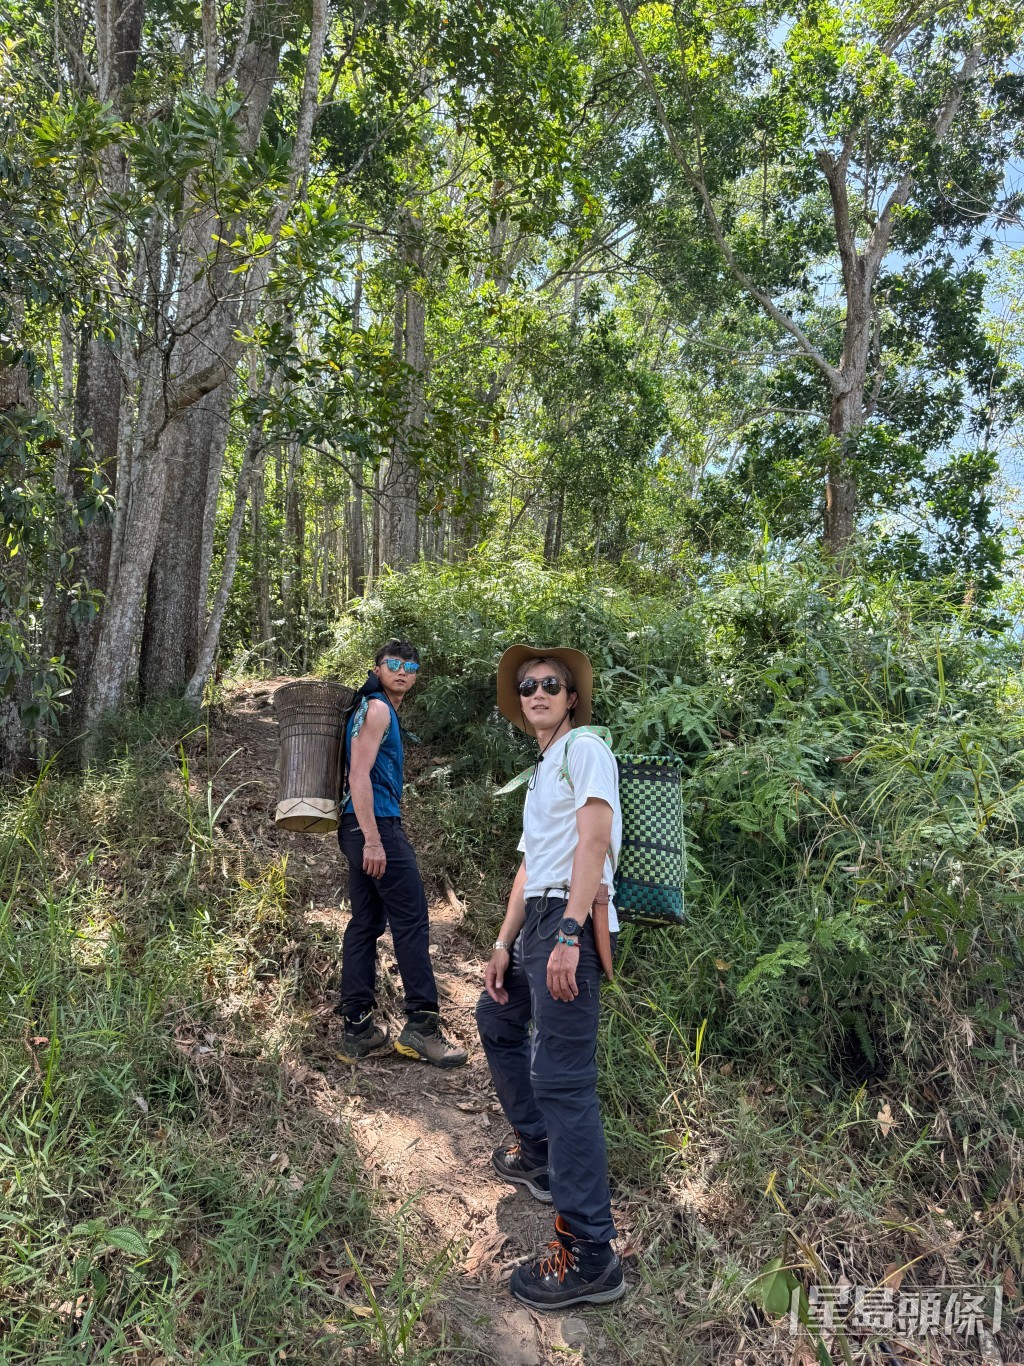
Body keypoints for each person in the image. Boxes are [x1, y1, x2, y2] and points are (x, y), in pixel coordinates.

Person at [475, 645, 625, 1309]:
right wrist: (505, 941)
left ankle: (592, 1253)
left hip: (570, 917)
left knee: (563, 1081)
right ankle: (538, 1152)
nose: (537, 691)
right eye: (528, 685)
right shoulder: (544, 766)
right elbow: (530, 865)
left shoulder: (587, 747)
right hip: (537, 917)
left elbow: (594, 840)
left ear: (571, 698)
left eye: (551, 684)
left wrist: (568, 932)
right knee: (497, 1017)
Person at [335, 639, 467, 1069]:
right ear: (377, 668)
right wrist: (374, 838)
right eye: (394, 663)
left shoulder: (371, 707)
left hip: (358, 827)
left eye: (411, 665)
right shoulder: (375, 709)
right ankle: (422, 1028)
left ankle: (357, 1029)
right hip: (376, 828)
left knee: (366, 922)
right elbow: (358, 774)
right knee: (411, 921)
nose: (404, 670)